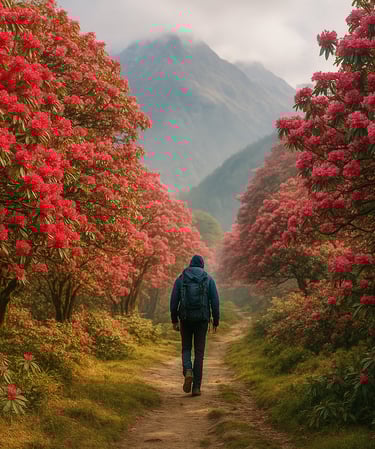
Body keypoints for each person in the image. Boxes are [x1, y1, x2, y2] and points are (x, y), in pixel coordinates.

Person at [170, 254, 220, 397]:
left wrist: (174, 320)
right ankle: (196, 387)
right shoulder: (208, 278)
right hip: (202, 319)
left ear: (190, 264)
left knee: (186, 348)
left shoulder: (181, 278)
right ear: (202, 265)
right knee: (199, 353)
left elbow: (174, 301)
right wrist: (215, 321)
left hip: (185, 318)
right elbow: (215, 302)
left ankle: (188, 370)